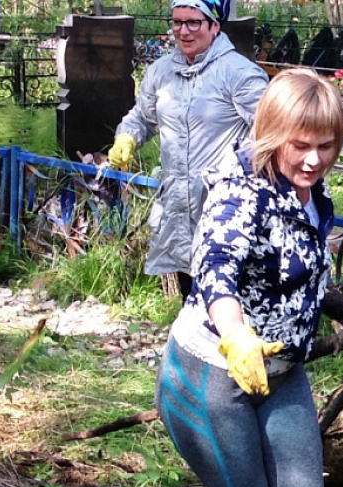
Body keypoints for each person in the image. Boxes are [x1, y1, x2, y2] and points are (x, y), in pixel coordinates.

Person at [154, 68, 343, 487]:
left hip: (282, 371)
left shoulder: (310, 194)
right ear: (271, 134)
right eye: (301, 145)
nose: (313, 159)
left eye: (326, 145)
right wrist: (235, 333)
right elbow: (216, 269)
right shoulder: (240, 192)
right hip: (214, 374)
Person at [108, 0, 268, 302]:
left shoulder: (240, 74)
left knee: (223, 296)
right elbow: (142, 117)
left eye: (193, 22)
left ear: (214, 26)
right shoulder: (161, 72)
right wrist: (127, 137)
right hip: (178, 208)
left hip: (224, 210)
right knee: (190, 298)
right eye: (177, 22)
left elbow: (273, 131)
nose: (183, 31)